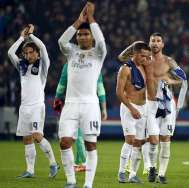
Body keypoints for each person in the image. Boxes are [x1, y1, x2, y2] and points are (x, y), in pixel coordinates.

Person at [119, 33, 188, 184]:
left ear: (163, 44)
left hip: (167, 104)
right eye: (153, 41)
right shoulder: (144, 60)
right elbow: (122, 58)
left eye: (158, 41)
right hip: (150, 104)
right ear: (149, 43)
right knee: (151, 140)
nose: (155, 43)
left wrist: (169, 81)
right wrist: (135, 44)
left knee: (165, 138)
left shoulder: (169, 62)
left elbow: (183, 80)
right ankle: (151, 167)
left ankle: (161, 174)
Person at [57, 2, 106, 188]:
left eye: (86, 34)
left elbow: (102, 42)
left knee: (90, 145)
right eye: (80, 34)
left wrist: (91, 19)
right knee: (64, 142)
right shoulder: (72, 52)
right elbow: (62, 41)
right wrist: (79, 21)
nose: (82, 36)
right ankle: (70, 181)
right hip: (70, 105)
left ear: (91, 36)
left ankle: (88, 184)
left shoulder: (98, 54)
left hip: (90, 105)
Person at [7, 24, 59, 179]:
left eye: (31, 52)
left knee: (37, 135)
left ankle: (53, 164)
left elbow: (42, 47)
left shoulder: (43, 65)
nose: (29, 55)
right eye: (26, 53)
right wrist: (22, 38)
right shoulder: (21, 67)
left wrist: (31, 35)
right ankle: (30, 170)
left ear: (36, 54)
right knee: (26, 138)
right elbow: (10, 52)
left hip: (37, 106)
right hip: (24, 108)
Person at [53, 63, 107, 172]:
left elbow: (61, 86)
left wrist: (57, 101)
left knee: (81, 137)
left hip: (78, 106)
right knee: (81, 137)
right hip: (87, 107)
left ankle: (82, 164)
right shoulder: (94, 64)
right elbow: (100, 88)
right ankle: (81, 163)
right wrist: (103, 108)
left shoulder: (69, 65)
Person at [116, 42, 151, 183]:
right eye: (142, 55)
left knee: (139, 142)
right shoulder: (125, 69)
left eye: (146, 56)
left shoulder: (144, 67)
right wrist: (131, 108)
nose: (144, 58)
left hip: (144, 108)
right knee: (130, 140)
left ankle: (133, 174)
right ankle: (121, 172)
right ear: (134, 53)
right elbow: (119, 92)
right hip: (129, 107)